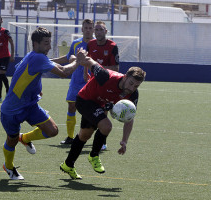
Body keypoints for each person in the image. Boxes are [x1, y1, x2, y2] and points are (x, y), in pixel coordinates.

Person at [0, 27, 85, 180]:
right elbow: (64, 72)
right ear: (35, 43)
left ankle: (24, 138)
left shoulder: (33, 56)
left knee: (52, 130)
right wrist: (78, 61)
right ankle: (9, 166)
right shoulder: (38, 58)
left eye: (49, 43)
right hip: (12, 110)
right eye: (46, 43)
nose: (49, 47)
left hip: (30, 105)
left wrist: (36, 89)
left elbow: (42, 67)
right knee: (10, 140)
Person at [60, 52, 146, 180]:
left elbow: (129, 118)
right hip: (84, 100)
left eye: (136, 86)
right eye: (131, 83)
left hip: (98, 105)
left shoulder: (132, 95)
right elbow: (90, 62)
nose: (132, 88)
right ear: (125, 76)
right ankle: (94, 155)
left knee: (84, 135)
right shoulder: (106, 76)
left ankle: (68, 164)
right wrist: (81, 58)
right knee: (106, 126)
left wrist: (124, 141)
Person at [51, 19, 95, 145]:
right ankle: (70, 137)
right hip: (76, 81)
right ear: (82, 29)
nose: (88, 30)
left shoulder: (96, 44)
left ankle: (93, 138)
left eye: (90, 28)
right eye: (85, 27)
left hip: (90, 81)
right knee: (71, 106)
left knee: (91, 110)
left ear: (92, 29)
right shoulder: (76, 43)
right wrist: (50, 60)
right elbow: (67, 57)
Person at [86, 20, 120, 150]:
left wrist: (98, 68)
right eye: (97, 30)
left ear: (106, 31)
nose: (98, 32)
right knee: (89, 109)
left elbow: (116, 68)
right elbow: (87, 60)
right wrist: (85, 73)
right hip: (93, 83)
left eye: (101, 30)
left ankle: (102, 141)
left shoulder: (112, 46)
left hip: (107, 82)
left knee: (103, 111)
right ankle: (84, 136)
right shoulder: (91, 44)